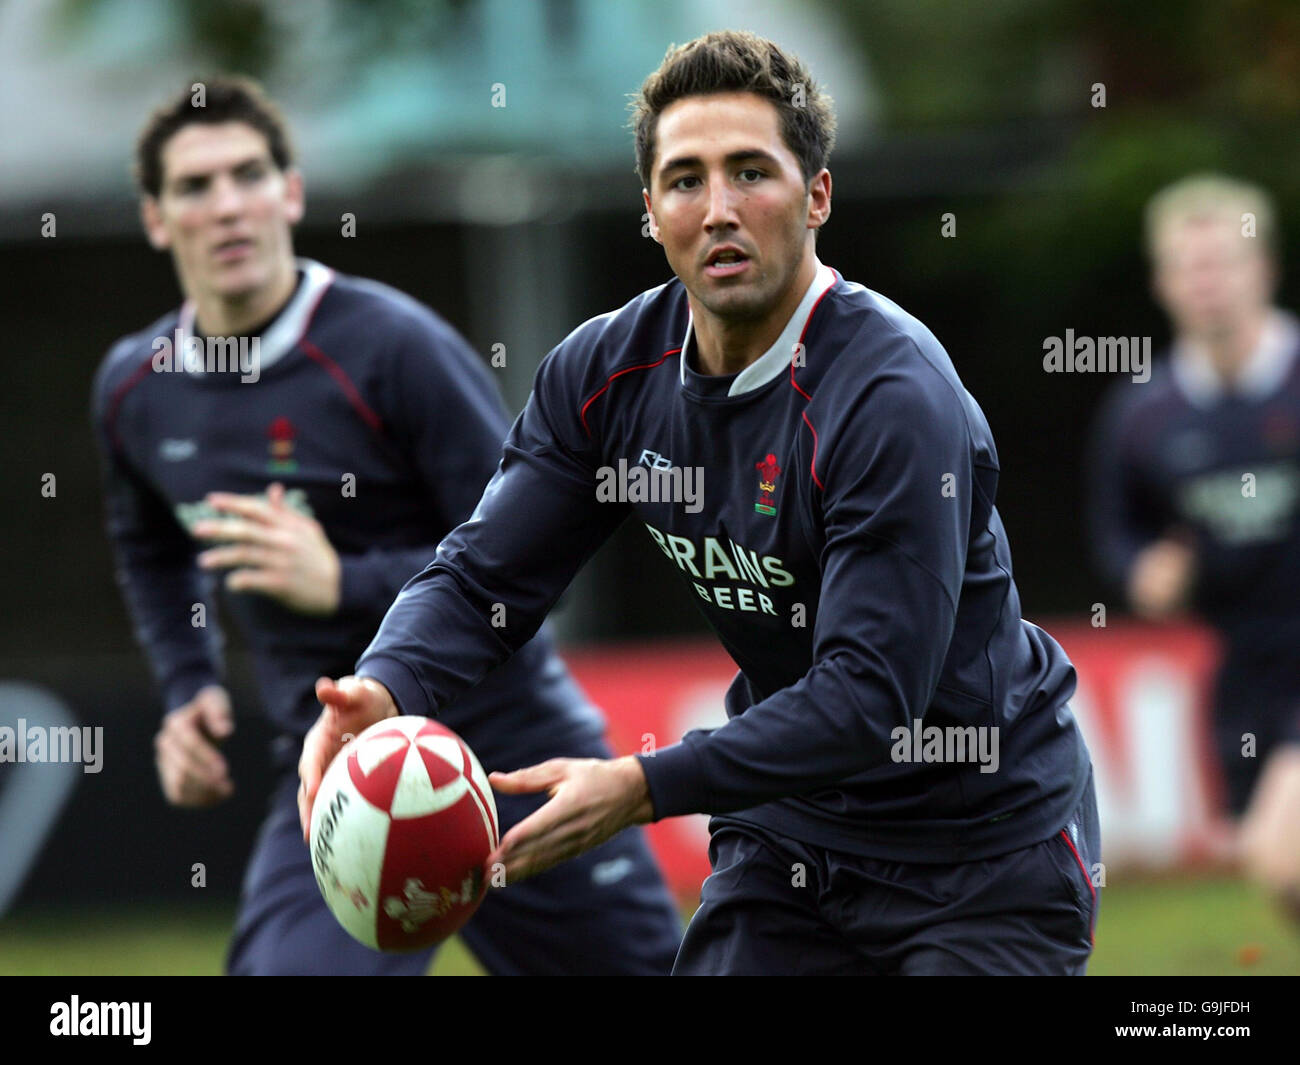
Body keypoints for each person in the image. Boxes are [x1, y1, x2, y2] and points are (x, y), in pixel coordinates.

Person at [300, 30, 1099, 975]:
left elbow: (868, 696)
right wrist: (383, 686)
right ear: (650, 212)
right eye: (685, 180)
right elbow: (482, 579)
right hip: (789, 839)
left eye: (751, 172)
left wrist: (642, 786)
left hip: (983, 854)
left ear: (817, 197)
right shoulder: (605, 375)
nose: (718, 209)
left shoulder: (890, 397)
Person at [91, 76, 682, 975]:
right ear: (155, 218)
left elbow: (527, 558)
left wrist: (343, 583)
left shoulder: (396, 348)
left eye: (249, 174)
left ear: (290, 191)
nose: (227, 205)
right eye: (195, 186)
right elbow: (149, 546)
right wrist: (186, 684)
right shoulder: (136, 388)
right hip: (335, 766)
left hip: (507, 743)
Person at [1088, 173, 1300, 924]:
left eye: (1225, 262)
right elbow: (1121, 537)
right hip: (1244, 668)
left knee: (1287, 854)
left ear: (1264, 269)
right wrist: (1148, 573)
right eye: (1189, 265)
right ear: (1164, 282)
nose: (1208, 282)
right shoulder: (1144, 415)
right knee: (1275, 874)